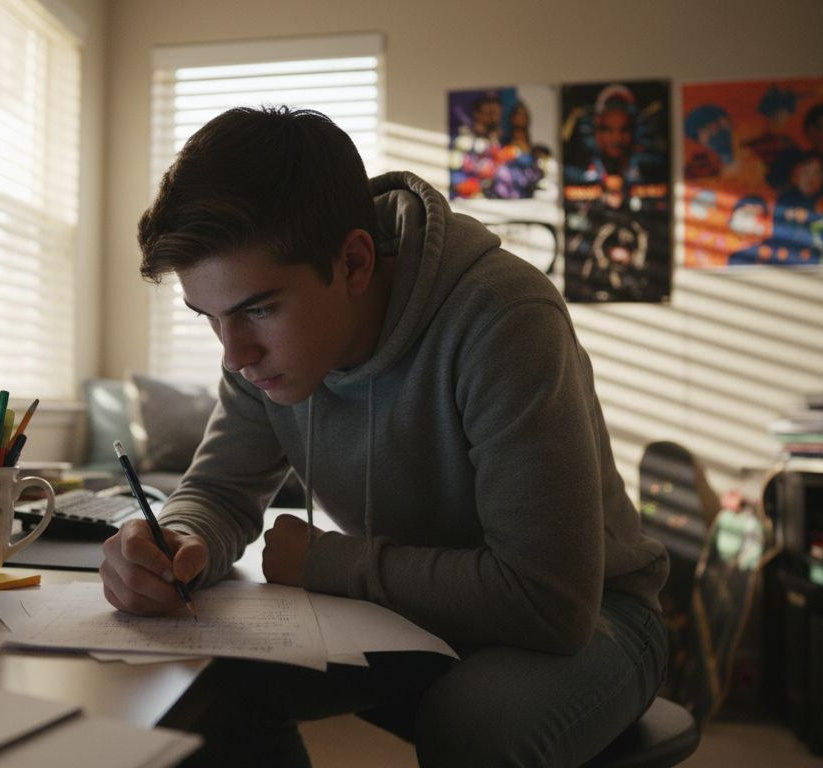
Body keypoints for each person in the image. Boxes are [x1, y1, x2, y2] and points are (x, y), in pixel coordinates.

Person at [101, 106, 669, 766]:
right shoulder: (263, 353)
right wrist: (177, 538)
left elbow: (550, 602)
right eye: (210, 318)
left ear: (354, 261)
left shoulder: (505, 318)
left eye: (258, 309)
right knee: (196, 684)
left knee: (477, 724)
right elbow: (219, 493)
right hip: (407, 613)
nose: (234, 355)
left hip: (597, 618)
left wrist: (324, 563)